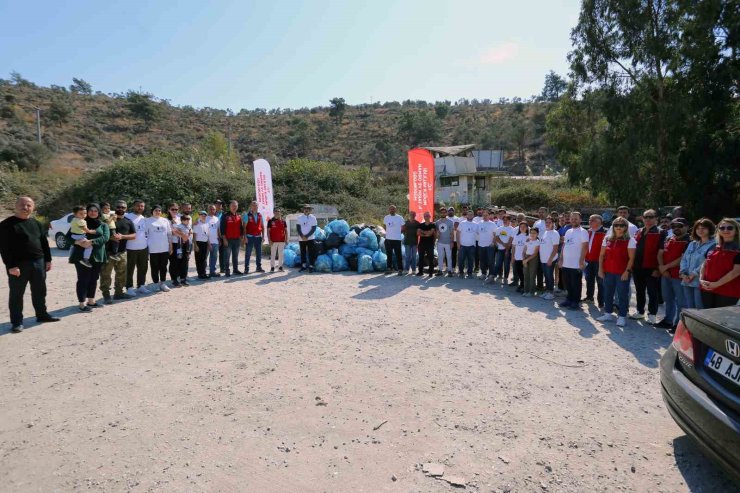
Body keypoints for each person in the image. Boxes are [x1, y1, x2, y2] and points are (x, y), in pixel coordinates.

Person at [0, 197, 58, 332]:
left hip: (39, 262)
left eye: (28, 205)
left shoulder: (36, 223)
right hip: (18, 266)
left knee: (40, 291)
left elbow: (44, 243)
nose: (25, 207)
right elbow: (4, 248)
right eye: (22, 204)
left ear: (33, 208)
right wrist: (11, 266)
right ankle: (17, 322)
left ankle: (42, 315)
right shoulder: (6, 225)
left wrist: (48, 260)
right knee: (16, 294)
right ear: (15, 206)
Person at [69, 203, 110, 312]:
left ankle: (91, 300)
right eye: (90, 210)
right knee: (83, 278)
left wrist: (91, 242)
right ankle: (82, 303)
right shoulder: (79, 222)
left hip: (97, 256)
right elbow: (68, 236)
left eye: (95, 210)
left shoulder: (103, 225)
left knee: (94, 278)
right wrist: (77, 242)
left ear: (99, 212)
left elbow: (105, 237)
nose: (93, 212)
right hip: (81, 256)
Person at [596, 217, 636, 327]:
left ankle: (622, 316)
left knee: (622, 295)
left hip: (621, 273)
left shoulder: (630, 240)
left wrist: (627, 272)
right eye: (616, 225)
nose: (618, 227)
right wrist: (600, 269)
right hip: (608, 272)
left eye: (621, 225)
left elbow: (631, 258)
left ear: (626, 227)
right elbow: (601, 255)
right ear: (613, 226)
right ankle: (608, 313)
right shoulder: (607, 238)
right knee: (608, 293)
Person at [655, 218, 690, 331]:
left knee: (681, 301)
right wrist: (662, 268)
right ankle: (668, 320)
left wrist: (665, 267)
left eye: (679, 226)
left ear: (686, 227)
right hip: (665, 274)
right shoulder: (668, 238)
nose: (676, 228)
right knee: (667, 298)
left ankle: (679, 325)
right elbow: (660, 253)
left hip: (679, 275)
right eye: (674, 226)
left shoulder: (689, 241)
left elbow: (683, 258)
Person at [630, 209, 664, 324]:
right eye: (646, 217)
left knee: (652, 292)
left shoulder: (661, 232)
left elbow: (662, 252)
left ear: (656, 219)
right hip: (637, 267)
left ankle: (652, 314)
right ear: (642, 219)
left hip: (651, 267)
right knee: (640, 290)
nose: (648, 219)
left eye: (651, 217)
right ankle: (640, 312)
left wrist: (658, 268)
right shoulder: (639, 231)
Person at [99, 200, 136, 303]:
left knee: (121, 274)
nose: (120, 209)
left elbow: (134, 235)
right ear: (115, 207)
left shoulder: (128, 221)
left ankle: (118, 293)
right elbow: (100, 232)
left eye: (123, 207)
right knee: (106, 274)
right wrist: (112, 238)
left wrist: (122, 236)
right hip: (108, 252)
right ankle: (106, 295)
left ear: (126, 209)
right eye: (119, 207)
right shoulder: (107, 219)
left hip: (122, 252)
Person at [700, 218, 740, 308]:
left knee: (722, 320)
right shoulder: (713, 246)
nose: (725, 230)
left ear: (736, 231)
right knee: (708, 317)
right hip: (708, 289)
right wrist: (701, 280)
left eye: (730, 228)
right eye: (722, 228)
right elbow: (704, 264)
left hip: (728, 291)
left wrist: (716, 284)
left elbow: (736, 272)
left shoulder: (738, 248)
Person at [679, 218, 716, 309]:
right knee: (689, 308)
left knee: (699, 308)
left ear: (709, 229)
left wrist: (693, 274)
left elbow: (707, 262)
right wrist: (683, 273)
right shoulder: (692, 243)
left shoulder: (714, 244)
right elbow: (684, 259)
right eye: (698, 228)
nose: (700, 230)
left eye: (703, 228)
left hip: (699, 281)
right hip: (686, 280)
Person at [558, 212, 589, 310]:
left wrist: (581, 261)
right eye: (572, 218)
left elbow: (585, 247)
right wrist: (561, 259)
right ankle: (569, 299)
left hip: (576, 263)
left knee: (576, 283)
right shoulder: (568, 231)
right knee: (567, 282)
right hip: (566, 262)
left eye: (576, 218)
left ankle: (576, 301)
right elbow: (564, 246)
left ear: (580, 220)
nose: (573, 220)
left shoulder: (583, 231)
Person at [124, 200, 150, 296]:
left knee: (143, 268)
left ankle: (141, 286)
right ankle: (129, 287)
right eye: (138, 206)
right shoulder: (127, 217)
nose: (140, 208)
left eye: (142, 206)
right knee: (130, 268)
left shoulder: (144, 218)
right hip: (131, 248)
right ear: (134, 206)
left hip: (143, 247)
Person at [146, 205, 173, 292]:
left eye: (159, 210)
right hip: (153, 248)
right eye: (156, 210)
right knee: (154, 267)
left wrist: (170, 246)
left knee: (163, 267)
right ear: (152, 211)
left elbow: (169, 234)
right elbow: (145, 235)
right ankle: (155, 283)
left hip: (164, 248)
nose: (158, 212)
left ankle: (163, 283)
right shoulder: (148, 221)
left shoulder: (165, 221)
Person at [584, 215, 606, 308]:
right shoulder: (588, 231)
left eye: (593, 220)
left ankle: (601, 302)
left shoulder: (605, 233)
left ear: (600, 222)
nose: (590, 221)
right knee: (589, 279)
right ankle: (589, 297)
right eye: (590, 219)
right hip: (588, 260)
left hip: (599, 261)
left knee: (601, 282)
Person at [220, 200, 243, 276]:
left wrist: (241, 237)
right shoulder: (225, 216)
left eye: (235, 206)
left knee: (235, 256)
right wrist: (224, 239)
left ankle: (235, 270)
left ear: (237, 207)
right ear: (229, 206)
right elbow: (222, 228)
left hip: (237, 240)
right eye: (233, 206)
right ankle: (227, 271)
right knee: (227, 256)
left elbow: (241, 228)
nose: (234, 207)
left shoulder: (239, 216)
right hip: (228, 239)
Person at [539, 217, 560, 300]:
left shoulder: (555, 233)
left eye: (549, 222)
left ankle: (551, 292)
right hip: (543, 259)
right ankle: (547, 291)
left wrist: (550, 259)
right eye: (546, 222)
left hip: (550, 259)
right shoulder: (545, 232)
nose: (547, 224)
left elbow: (555, 248)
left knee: (549, 276)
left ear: (553, 223)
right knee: (546, 276)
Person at [169, 211, 192, 287]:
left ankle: (183, 278)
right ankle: (174, 279)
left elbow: (190, 232)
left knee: (185, 262)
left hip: (186, 245)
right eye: (185, 219)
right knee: (175, 262)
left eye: (188, 219)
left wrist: (187, 235)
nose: (187, 220)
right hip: (178, 245)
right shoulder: (175, 223)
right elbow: (174, 231)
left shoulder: (188, 226)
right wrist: (183, 235)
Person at [243, 201, 265, 274]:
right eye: (253, 205)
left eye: (256, 205)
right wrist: (245, 237)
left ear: (258, 206)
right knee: (248, 253)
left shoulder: (260, 215)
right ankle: (246, 268)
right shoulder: (247, 215)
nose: (255, 206)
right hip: (250, 237)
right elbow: (244, 227)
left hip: (258, 237)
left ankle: (258, 267)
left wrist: (263, 236)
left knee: (258, 253)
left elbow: (262, 226)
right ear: (251, 206)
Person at [493, 215, 516, 283]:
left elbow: (510, 240)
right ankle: (494, 276)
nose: (505, 221)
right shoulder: (499, 228)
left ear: (509, 221)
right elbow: (496, 238)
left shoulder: (512, 229)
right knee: (498, 264)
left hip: (507, 250)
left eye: (506, 220)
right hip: (500, 249)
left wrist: (506, 250)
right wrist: (503, 244)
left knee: (506, 265)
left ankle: (505, 278)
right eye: (504, 220)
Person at [456, 211, 479, 278]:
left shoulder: (476, 225)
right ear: (466, 216)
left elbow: (479, 233)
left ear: (473, 216)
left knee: (471, 261)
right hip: (462, 245)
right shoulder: (462, 223)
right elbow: (457, 233)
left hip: (472, 246)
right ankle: (461, 272)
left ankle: (470, 273)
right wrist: (458, 243)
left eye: (471, 215)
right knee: (461, 260)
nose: (470, 216)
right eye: (469, 214)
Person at [383, 205, 404, 275]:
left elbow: (403, 227)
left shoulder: (400, 218)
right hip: (388, 239)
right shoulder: (386, 217)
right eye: (391, 209)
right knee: (389, 255)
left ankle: (400, 269)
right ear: (389, 210)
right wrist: (388, 233)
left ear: (396, 210)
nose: (392, 210)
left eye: (393, 209)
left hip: (397, 239)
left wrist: (398, 233)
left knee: (398, 255)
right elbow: (384, 226)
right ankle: (389, 268)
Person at [297, 204, 318, 272]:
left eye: (308, 208)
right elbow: (298, 228)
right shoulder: (299, 217)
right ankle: (303, 266)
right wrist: (302, 236)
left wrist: (307, 236)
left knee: (311, 252)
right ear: (303, 209)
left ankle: (311, 266)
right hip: (301, 238)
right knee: (303, 252)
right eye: (305, 208)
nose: (307, 210)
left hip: (311, 238)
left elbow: (314, 228)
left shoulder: (313, 217)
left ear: (310, 210)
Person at [477, 210, 497, 281]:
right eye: (484, 215)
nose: (485, 217)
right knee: (482, 260)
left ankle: (491, 275)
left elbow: (495, 235)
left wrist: (493, 243)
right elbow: (477, 233)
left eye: (486, 215)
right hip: (481, 245)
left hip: (490, 246)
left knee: (491, 261)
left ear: (489, 216)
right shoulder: (479, 224)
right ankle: (483, 274)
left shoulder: (493, 224)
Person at [435, 208, 455, 277]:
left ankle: (450, 270)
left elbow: (452, 233)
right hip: (440, 242)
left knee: (449, 257)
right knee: (440, 257)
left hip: (448, 242)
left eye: (444, 212)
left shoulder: (450, 222)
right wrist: (437, 234)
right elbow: (436, 232)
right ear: (440, 213)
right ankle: (440, 270)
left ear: (446, 213)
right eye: (442, 212)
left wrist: (452, 242)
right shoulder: (437, 222)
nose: (443, 214)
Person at [522, 227, 541, 296]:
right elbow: (524, 251)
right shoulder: (527, 241)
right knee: (526, 275)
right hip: (526, 258)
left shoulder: (538, 242)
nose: (532, 234)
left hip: (533, 258)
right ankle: (526, 291)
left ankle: (531, 292)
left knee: (532, 275)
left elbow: (535, 253)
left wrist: (526, 260)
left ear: (537, 234)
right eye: (531, 233)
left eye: (534, 233)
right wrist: (524, 259)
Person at [417, 211, 436, 277]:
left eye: (428, 216)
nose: (426, 217)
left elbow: (430, 233)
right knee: (421, 258)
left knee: (431, 258)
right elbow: (418, 233)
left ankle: (431, 272)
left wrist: (422, 232)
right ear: (424, 217)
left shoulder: (433, 224)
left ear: (430, 217)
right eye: (425, 216)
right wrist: (426, 233)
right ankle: (420, 272)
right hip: (421, 244)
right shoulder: (421, 225)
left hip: (430, 244)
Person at [533, 207, 548, 291]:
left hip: (546, 248)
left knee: (545, 268)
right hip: (537, 247)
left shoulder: (549, 222)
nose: (541, 213)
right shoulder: (536, 222)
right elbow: (533, 234)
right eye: (540, 212)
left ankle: (546, 286)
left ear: (546, 213)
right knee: (538, 267)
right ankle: (539, 285)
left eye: (543, 212)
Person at [402, 211, 420, 275]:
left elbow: (419, 232)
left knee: (414, 256)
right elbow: (402, 230)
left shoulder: (418, 223)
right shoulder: (406, 223)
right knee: (407, 256)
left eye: (413, 214)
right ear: (409, 215)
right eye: (411, 214)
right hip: (407, 242)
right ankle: (406, 269)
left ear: (415, 215)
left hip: (415, 242)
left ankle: (414, 270)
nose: (412, 215)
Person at [513, 222, 529, 293]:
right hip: (517, 257)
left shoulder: (529, 236)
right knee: (519, 272)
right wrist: (513, 256)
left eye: (524, 227)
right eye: (521, 226)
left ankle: (525, 286)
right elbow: (513, 247)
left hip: (525, 258)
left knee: (525, 273)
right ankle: (522, 285)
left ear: (527, 228)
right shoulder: (517, 236)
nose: (522, 228)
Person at [193, 211, 210, 279]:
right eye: (202, 215)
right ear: (199, 215)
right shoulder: (197, 224)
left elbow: (207, 235)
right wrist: (195, 245)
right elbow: (194, 235)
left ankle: (204, 273)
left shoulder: (207, 224)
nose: (203, 216)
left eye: (205, 215)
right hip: (198, 243)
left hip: (205, 243)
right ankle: (200, 274)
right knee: (198, 259)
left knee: (204, 259)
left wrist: (209, 244)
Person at [206, 205, 221, 278]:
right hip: (206, 242)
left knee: (214, 257)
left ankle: (212, 272)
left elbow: (218, 230)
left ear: (215, 210)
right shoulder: (204, 218)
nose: (212, 211)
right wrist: (208, 242)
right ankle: (203, 272)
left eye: (214, 209)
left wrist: (219, 239)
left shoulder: (217, 219)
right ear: (208, 209)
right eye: (211, 209)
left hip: (215, 241)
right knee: (204, 258)